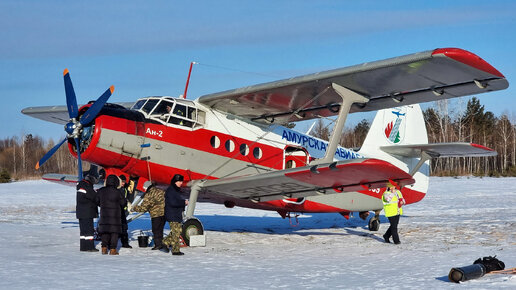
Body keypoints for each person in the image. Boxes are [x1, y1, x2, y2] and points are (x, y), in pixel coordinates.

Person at [132, 181, 168, 252]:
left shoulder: (149, 194)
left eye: (144, 188)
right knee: (160, 229)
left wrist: (134, 208)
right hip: (164, 214)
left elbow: (143, 208)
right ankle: (161, 243)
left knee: (156, 230)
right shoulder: (160, 191)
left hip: (156, 215)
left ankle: (158, 245)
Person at [97, 174, 125, 255]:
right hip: (115, 215)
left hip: (104, 214)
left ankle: (104, 248)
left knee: (105, 231)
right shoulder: (118, 192)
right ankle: (113, 249)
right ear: (116, 182)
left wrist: (102, 205)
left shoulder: (101, 191)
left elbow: (96, 200)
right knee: (114, 232)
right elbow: (123, 203)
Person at [163, 174, 188, 256]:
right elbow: (173, 202)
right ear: (175, 181)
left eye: (181, 181)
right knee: (176, 233)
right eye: (179, 181)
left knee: (177, 231)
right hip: (172, 214)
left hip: (176, 214)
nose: (181, 183)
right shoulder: (171, 190)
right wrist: (183, 202)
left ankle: (165, 242)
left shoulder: (176, 190)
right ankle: (175, 250)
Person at [76, 173, 99, 252]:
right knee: (89, 231)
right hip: (87, 212)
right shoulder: (87, 187)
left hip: (81, 213)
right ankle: (90, 247)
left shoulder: (81, 186)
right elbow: (95, 198)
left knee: (83, 231)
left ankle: (83, 247)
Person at [118, 175, 132, 249]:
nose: (123, 183)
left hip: (123, 210)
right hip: (117, 210)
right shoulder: (116, 188)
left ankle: (125, 243)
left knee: (124, 227)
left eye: (124, 182)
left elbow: (127, 197)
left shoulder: (125, 189)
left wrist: (128, 203)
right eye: (121, 181)